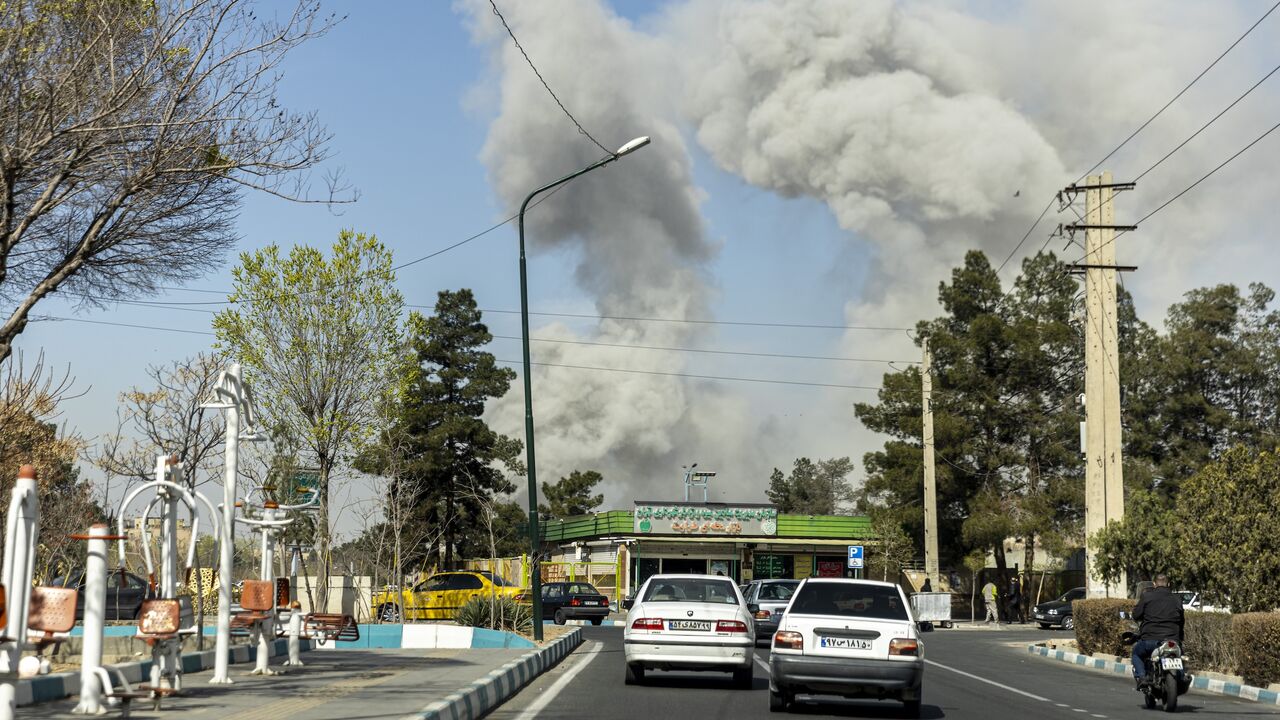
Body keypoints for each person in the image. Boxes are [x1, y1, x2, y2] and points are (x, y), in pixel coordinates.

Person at [1131, 574, 1185, 690]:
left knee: (1136, 653)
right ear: (1169, 584)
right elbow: (1181, 621)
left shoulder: (1147, 596)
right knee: (1181, 654)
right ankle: (1182, 675)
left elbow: (1136, 615)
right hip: (1172, 639)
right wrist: (1180, 638)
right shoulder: (1177, 599)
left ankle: (1142, 677)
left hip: (1150, 640)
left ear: (1154, 584)